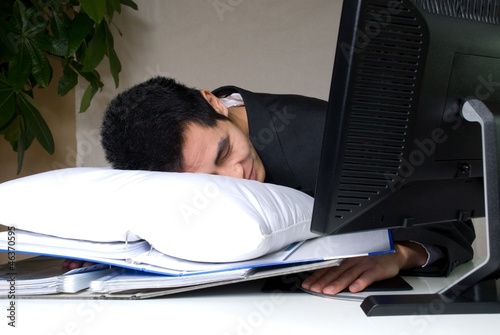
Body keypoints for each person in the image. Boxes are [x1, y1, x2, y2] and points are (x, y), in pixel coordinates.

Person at [70, 76, 475, 296]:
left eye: (225, 151)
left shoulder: (335, 134)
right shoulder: (170, 149)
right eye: (206, 181)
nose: (235, 177)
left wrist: (401, 254)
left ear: (214, 103)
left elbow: (455, 227)